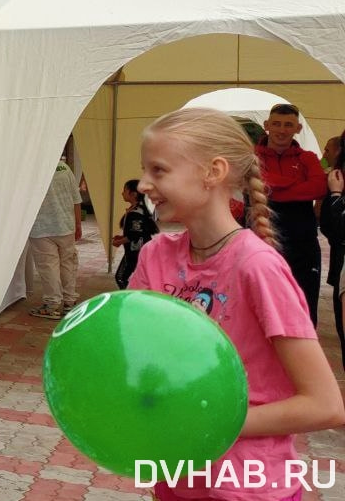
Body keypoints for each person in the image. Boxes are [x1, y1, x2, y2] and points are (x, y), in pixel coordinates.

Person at [129, 108, 345, 500]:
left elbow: (325, 405)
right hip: (176, 473)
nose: (143, 184)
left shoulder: (256, 267)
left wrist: (212, 422)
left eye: (158, 171)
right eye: (144, 170)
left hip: (248, 487)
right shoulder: (156, 256)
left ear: (213, 172)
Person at [256, 103, 327, 325]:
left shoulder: (308, 158)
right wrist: (297, 186)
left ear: (298, 128)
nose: (281, 130)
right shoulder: (251, 156)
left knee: (304, 307)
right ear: (267, 126)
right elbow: (251, 185)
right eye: (276, 124)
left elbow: (318, 188)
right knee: (264, 307)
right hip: (262, 243)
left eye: (288, 125)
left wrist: (272, 189)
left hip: (303, 246)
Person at [26, 158, 84, 320]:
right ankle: (69, 301)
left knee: (48, 267)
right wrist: (78, 224)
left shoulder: (33, 170)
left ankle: (52, 305)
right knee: (68, 263)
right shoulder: (65, 168)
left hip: (41, 228)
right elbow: (76, 198)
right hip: (65, 226)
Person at [318, 132, 345, 372]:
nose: (324, 153)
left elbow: (335, 226)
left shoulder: (337, 182)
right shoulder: (334, 174)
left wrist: (335, 194)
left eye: (329, 149)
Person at [111, 179, 157, 290]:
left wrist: (119, 242)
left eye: (124, 190)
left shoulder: (136, 212)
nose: (122, 193)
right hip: (136, 251)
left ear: (133, 194)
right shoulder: (137, 210)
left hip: (136, 252)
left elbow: (135, 235)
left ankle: (130, 299)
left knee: (121, 278)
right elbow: (135, 232)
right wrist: (122, 238)